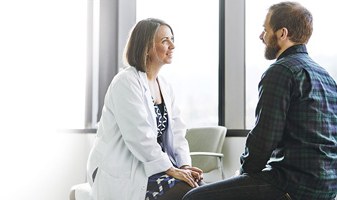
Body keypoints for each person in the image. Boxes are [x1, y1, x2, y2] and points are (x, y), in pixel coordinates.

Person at [183, 2, 337, 200]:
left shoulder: (281, 71)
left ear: (283, 33)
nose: (261, 36)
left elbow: (264, 138)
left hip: (292, 184)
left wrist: (244, 172)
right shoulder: (325, 76)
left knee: (193, 197)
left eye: (265, 30)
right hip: (327, 185)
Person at [86, 18, 204, 200]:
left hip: (154, 167)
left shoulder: (164, 85)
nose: (172, 46)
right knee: (190, 194)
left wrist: (184, 166)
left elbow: (178, 131)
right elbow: (138, 135)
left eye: (172, 39)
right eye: (165, 41)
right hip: (122, 168)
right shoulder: (125, 82)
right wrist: (170, 169)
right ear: (146, 47)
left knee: (202, 189)